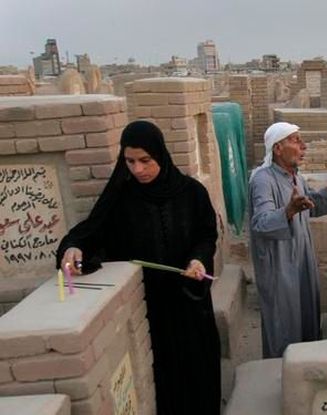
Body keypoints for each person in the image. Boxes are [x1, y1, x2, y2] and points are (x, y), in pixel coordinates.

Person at [56, 120, 221, 415]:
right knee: (165, 380)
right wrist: (73, 248)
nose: (138, 170)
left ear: (160, 154)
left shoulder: (191, 192)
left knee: (197, 373)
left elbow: (206, 235)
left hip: (190, 302)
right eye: (129, 161)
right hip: (150, 308)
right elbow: (90, 233)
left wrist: (198, 259)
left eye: (146, 160)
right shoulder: (121, 198)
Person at [249, 122, 327, 358]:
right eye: (295, 140)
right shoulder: (263, 180)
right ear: (278, 148)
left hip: (301, 260)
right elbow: (260, 223)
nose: (303, 146)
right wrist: (288, 211)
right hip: (280, 267)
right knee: (284, 325)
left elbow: (308, 206)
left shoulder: (295, 178)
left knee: (305, 319)